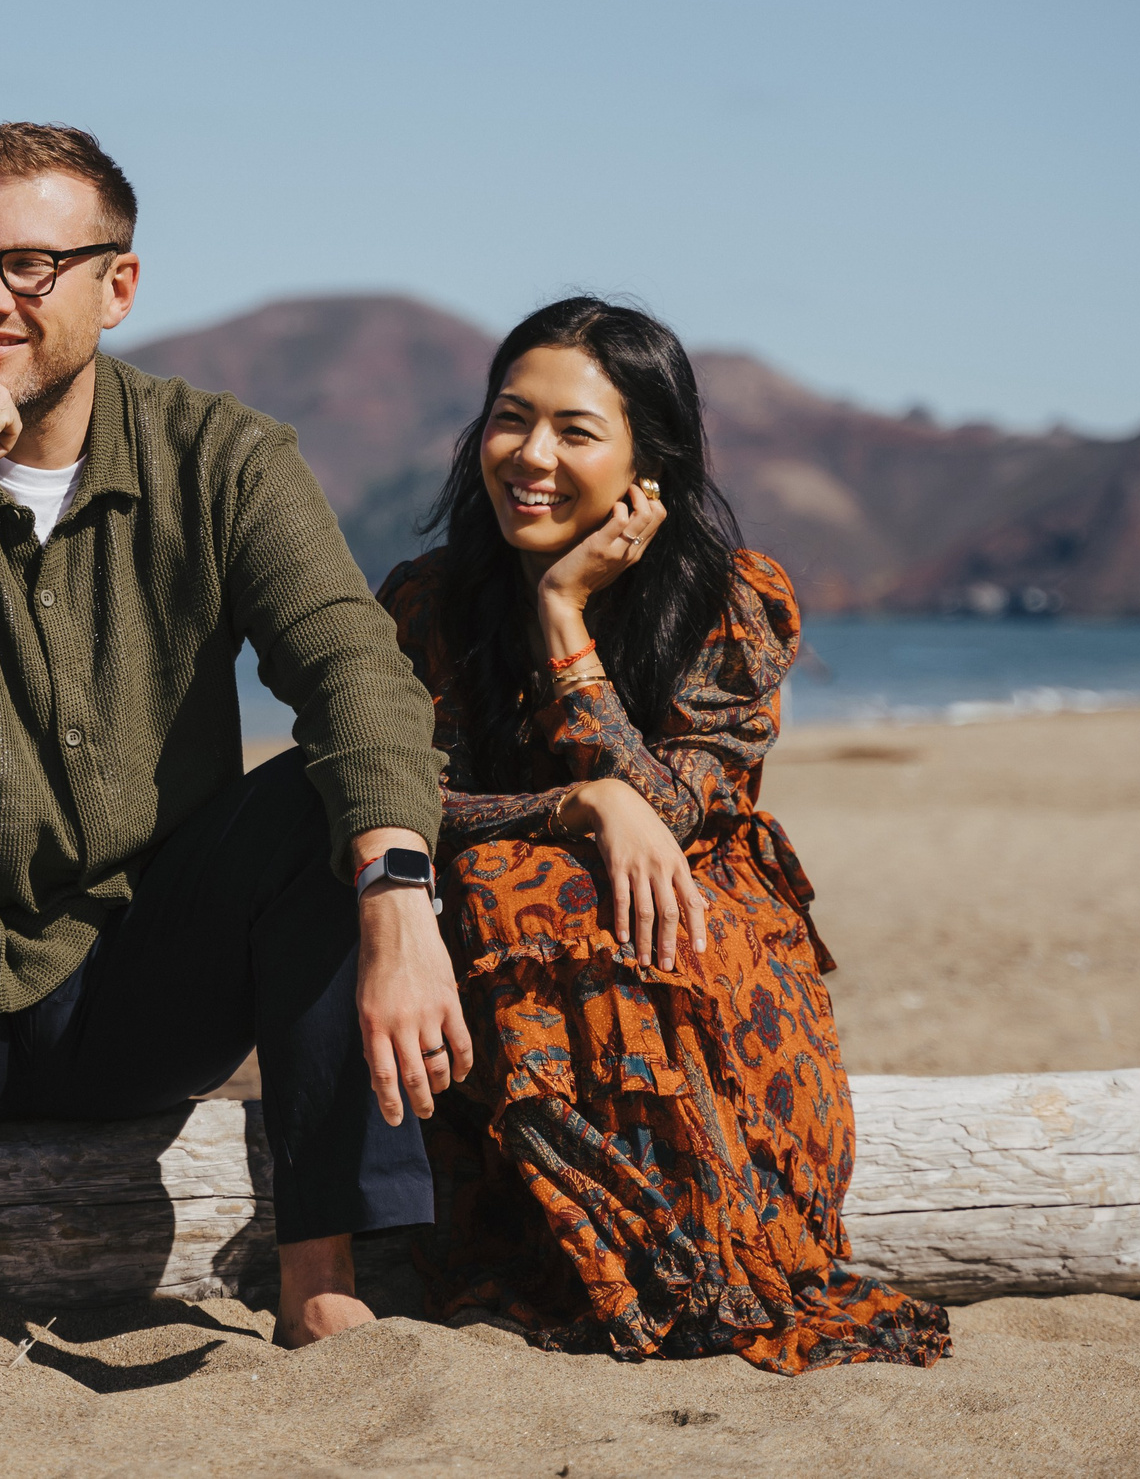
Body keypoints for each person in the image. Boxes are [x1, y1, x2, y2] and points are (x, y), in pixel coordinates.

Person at [0, 123, 467, 1382]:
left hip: (147, 996)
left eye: (29, 265)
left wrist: (399, 895)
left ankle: (319, 1283)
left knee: (325, 803)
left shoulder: (223, 458)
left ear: (116, 286)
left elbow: (357, 671)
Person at [375, 297, 950, 1373]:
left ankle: (680, 1256)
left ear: (649, 463)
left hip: (693, 931)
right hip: (505, 953)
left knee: (531, 883)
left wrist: (563, 617)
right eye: (511, 418)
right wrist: (573, 805)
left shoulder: (728, 601)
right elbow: (402, 797)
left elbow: (671, 819)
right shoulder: (429, 604)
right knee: (504, 878)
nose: (531, 456)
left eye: (575, 431)